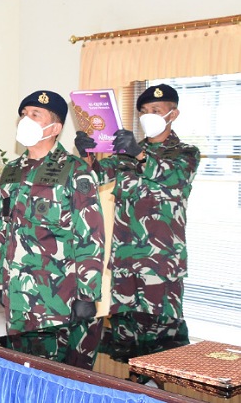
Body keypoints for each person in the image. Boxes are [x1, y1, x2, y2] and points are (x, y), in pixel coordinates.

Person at [74, 84, 200, 366]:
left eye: (155, 110)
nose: (148, 116)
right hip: (125, 258)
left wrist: (140, 156)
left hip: (161, 261)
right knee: (125, 332)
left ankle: (170, 389)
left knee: (164, 333)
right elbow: (96, 177)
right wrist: (88, 155)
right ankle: (133, 382)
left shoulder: (186, 152)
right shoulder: (127, 152)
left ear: (173, 113)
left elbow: (174, 178)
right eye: (143, 111)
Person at [0, 90, 105, 371]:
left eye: (34, 115)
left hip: (56, 295)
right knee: (20, 364)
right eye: (23, 115)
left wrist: (87, 295)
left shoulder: (75, 171)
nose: (24, 120)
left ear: (55, 128)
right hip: (17, 291)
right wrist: (0, 279)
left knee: (55, 372)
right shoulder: (13, 170)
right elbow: (2, 227)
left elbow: (90, 236)